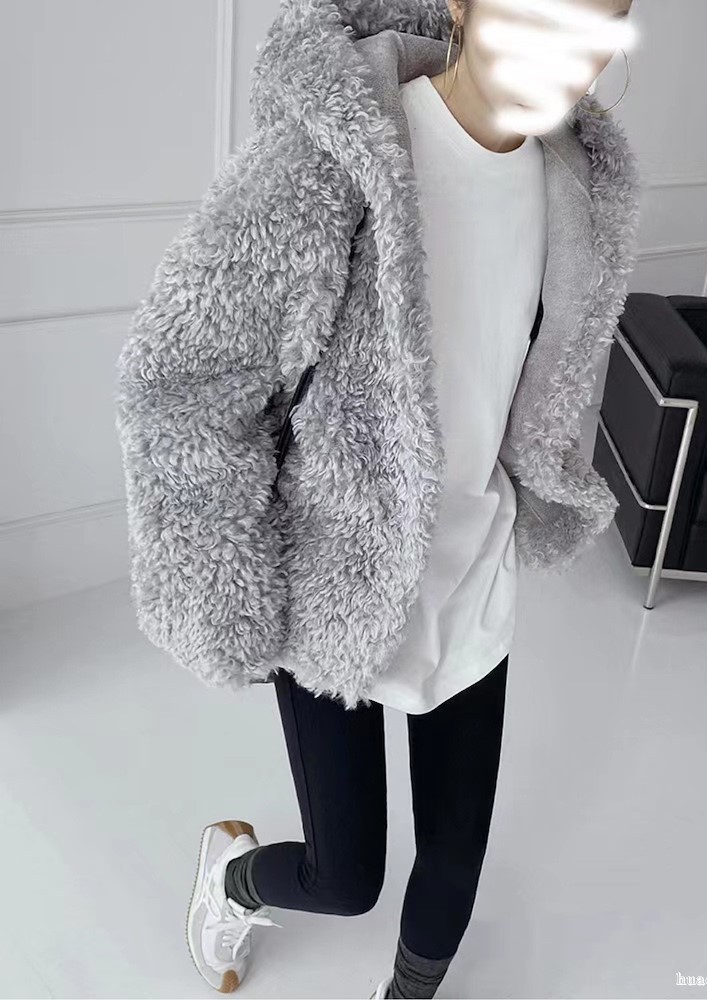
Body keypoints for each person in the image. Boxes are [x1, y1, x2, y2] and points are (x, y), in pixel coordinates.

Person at [115, 0, 640, 996]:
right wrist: (224, 580)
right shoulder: (330, 158)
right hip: (333, 578)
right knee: (346, 877)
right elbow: (183, 379)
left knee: (452, 871)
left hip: (473, 573)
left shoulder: (577, 186)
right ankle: (231, 875)